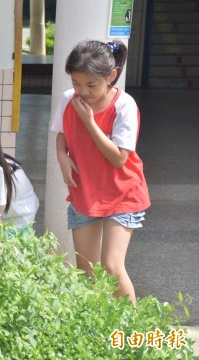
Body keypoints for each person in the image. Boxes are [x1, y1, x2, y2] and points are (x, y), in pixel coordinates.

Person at [50, 39, 150, 305]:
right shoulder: (68, 100)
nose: (82, 92)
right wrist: (62, 157)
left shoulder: (124, 105)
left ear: (111, 76)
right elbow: (60, 134)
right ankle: (97, 327)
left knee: (111, 267)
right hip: (85, 191)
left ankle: (131, 331)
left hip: (122, 193)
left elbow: (119, 158)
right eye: (76, 84)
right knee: (86, 269)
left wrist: (89, 122)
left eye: (91, 85)